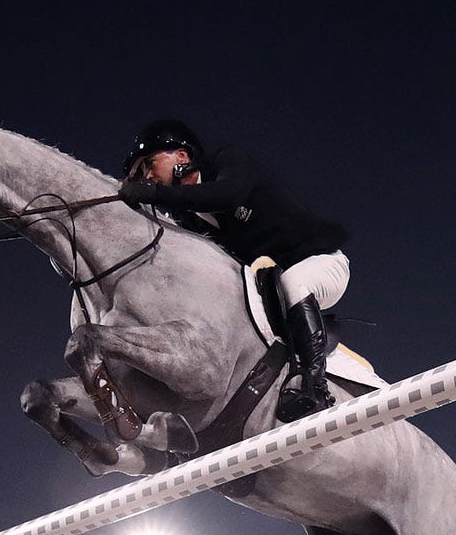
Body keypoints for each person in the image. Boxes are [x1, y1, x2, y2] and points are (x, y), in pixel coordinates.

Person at [119, 119, 351, 421]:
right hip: (270, 284)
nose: (148, 176)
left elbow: (225, 196)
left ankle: (315, 386)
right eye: (142, 174)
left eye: (149, 164)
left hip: (322, 263)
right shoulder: (188, 217)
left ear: (181, 156)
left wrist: (153, 194)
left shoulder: (227, 162)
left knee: (294, 280)